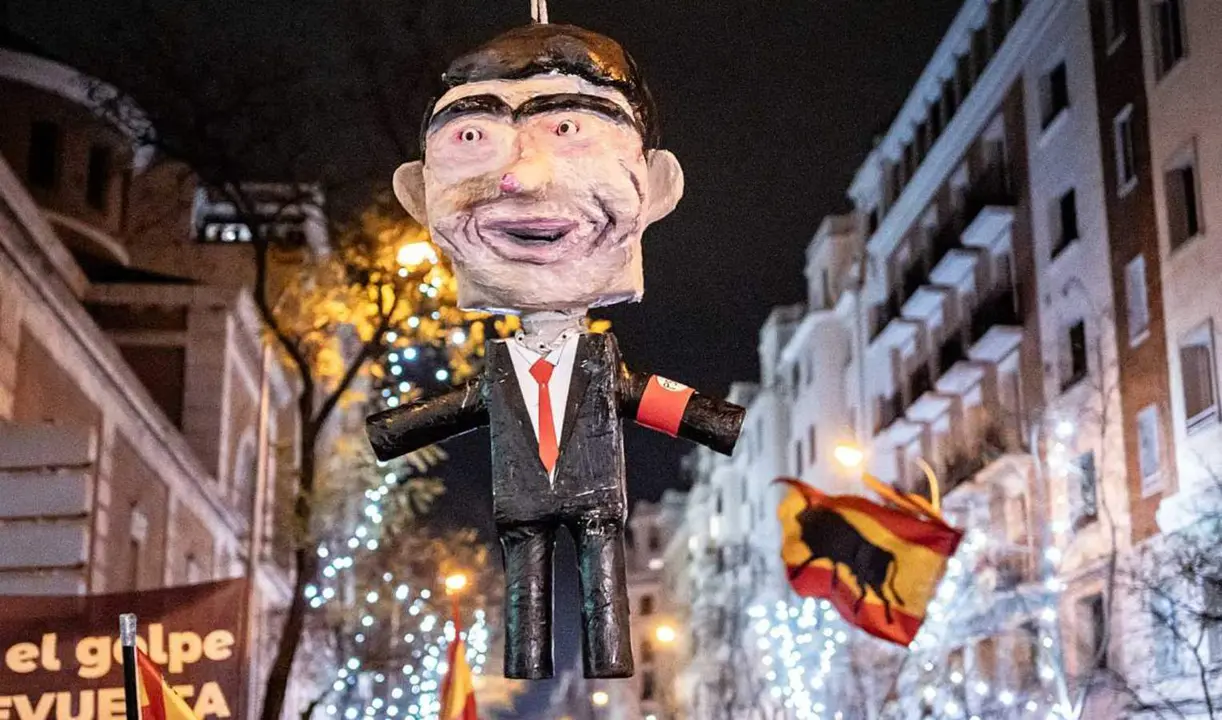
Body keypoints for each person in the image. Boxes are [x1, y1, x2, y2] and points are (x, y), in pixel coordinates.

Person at [366, 23, 744, 680]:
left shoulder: (601, 364)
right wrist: (393, 431)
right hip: (522, 499)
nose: (519, 178)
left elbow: (640, 393)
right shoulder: (504, 368)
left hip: (596, 495)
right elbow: (459, 407)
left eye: (569, 129)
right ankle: (526, 657)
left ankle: (609, 654)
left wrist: (712, 420)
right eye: (472, 137)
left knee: (602, 571)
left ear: (655, 186)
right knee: (526, 580)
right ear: (419, 199)